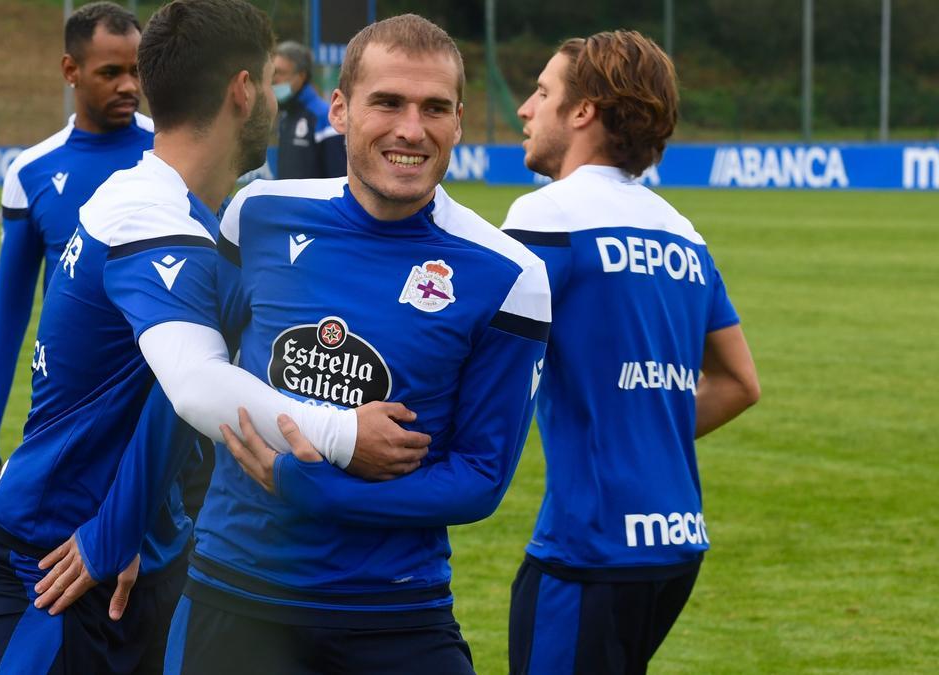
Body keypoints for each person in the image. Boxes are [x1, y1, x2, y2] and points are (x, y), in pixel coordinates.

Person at [0, 1, 428, 673]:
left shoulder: (204, 214)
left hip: (140, 551)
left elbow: (159, 399)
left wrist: (125, 524)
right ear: (244, 89)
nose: (273, 96)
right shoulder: (147, 213)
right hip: (49, 559)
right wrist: (346, 434)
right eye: (269, 78)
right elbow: (195, 385)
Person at [164, 15, 552, 675]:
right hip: (236, 594)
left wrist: (314, 488)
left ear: (459, 120)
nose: (411, 128)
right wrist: (129, 533)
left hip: (396, 611)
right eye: (388, 102)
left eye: (435, 108)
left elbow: (480, 478)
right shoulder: (255, 217)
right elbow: (190, 381)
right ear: (341, 109)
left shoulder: (511, 275)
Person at [500, 30, 760, 675]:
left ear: (583, 111)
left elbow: (479, 362)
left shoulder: (546, 216)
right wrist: (643, 431)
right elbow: (738, 383)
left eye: (541, 92)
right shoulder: (684, 235)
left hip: (589, 548)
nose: (524, 110)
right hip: (675, 542)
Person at [0, 1, 153, 488]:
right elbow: (9, 307)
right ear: (71, 70)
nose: (129, 86)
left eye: (136, 71)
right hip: (73, 410)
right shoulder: (31, 172)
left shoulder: (173, 150)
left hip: (164, 405)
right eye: (110, 72)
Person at [272, 40, 346, 179]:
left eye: (281, 73)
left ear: (301, 76)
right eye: (273, 73)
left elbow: (338, 179)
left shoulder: (324, 117)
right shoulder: (286, 115)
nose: (275, 79)